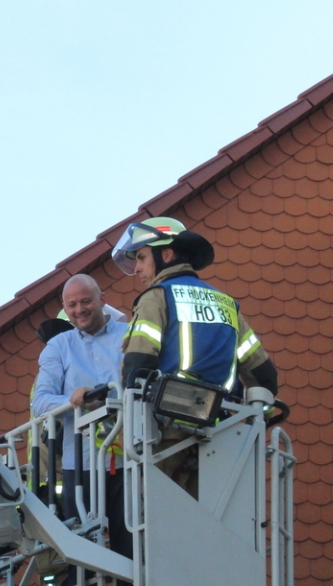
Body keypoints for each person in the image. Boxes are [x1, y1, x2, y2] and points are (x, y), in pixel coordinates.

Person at [112, 217, 280, 497]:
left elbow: (138, 365)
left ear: (166, 255)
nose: (138, 268)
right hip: (223, 435)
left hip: (167, 435)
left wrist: (130, 423)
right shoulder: (227, 304)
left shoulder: (156, 297)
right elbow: (265, 377)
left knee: (162, 523)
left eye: (141, 257)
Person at [31, 275, 127, 521]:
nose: (79, 310)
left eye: (86, 301)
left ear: (102, 300)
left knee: (131, 549)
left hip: (131, 458)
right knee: (85, 550)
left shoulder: (129, 335)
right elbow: (40, 402)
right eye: (72, 305)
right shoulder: (58, 346)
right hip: (81, 463)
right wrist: (73, 401)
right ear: (65, 308)